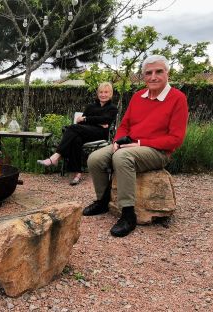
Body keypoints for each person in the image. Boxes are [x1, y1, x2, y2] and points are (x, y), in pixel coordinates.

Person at [84, 55, 188, 237]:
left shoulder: (177, 98)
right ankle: (102, 201)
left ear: (167, 74)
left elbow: (175, 139)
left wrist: (139, 144)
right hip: (131, 145)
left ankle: (128, 214)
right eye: (148, 73)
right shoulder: (138, 96)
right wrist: (117, 141)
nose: (153, 77)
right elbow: (125, 125)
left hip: (157, 151)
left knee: (122, 157)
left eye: (158, 72)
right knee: (95, 158)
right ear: (144, 76)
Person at [37, 82, 118, 186]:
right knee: (76, 139)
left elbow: (105, 120)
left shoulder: (112, 108)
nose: (103, 94)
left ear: (110, 93)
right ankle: (77, 173)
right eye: (101, 92)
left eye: (106, 92)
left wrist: (87, 119)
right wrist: (98, 122)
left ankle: (56, 156)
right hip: (86, 132)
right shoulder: (90, 106)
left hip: (100, 134)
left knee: (71, 128)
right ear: (98, 93)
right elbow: (80, 121)